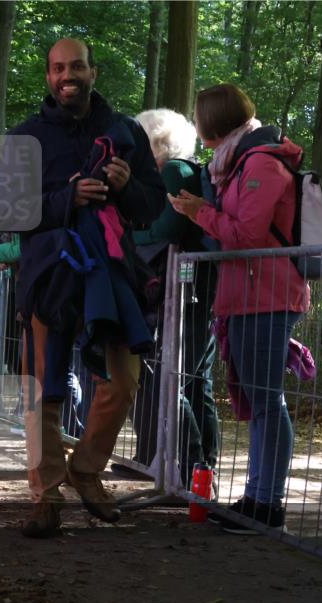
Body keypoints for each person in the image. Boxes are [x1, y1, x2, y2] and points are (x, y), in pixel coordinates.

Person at [0, 38, 165, 538]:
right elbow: (8, 213)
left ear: (93, 71)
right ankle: (44, 495)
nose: (65, 75)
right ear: (48, 77)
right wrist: (65, 198)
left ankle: (86, 470)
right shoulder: (25, 138)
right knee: (41, 390)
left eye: (75, 67)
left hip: (111, 278)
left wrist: (126, 185)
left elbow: (152, 208)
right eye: (56, 68)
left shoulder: (126, 132)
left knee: (123, 381)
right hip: (49, 277)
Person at [169, 83, 310, 533]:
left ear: (212, 122)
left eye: (197, 117)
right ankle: (256, 498)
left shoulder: (261, 164)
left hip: (267, 296)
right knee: (258, 401)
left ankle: (268, 505)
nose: (195, 125)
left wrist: (198, 214)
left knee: (268, 402)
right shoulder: (235, 165)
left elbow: (247, 236)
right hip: (248, 297)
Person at [120, 108, 221, 484]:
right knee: (192, 380)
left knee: (172, 376)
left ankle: (190, 463)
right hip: (192, 290)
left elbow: (169, 226)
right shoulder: (184, 170)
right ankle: (187, 462)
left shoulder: (173, 171)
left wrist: (128, 238)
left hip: (183, 292)